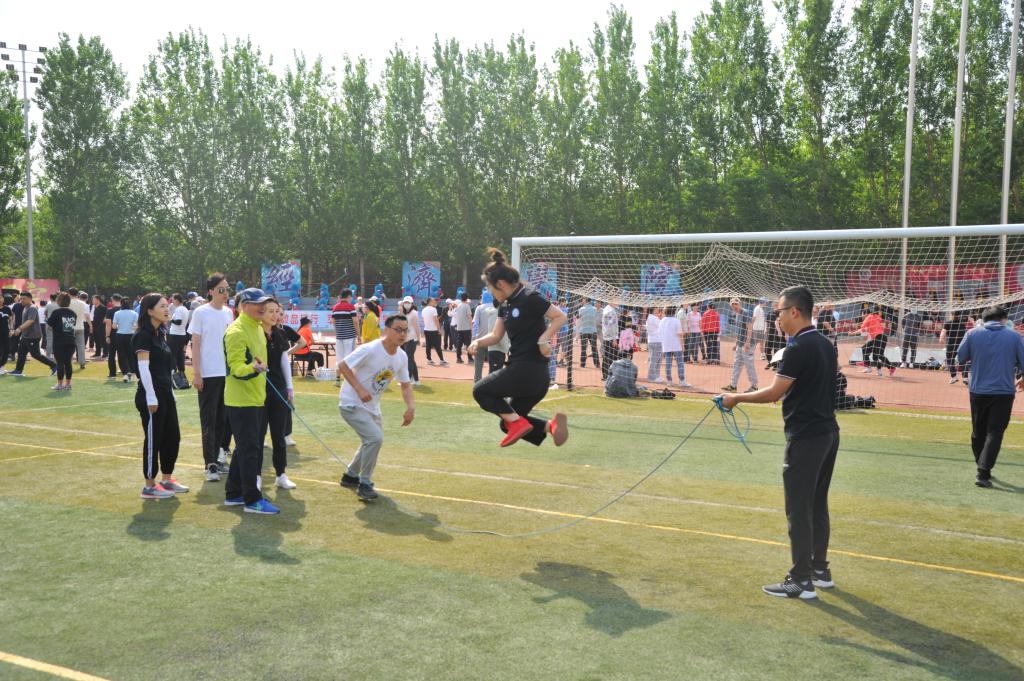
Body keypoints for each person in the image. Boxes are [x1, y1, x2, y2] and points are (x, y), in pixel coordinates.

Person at [719, 285, 839, 600]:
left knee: (798, 509)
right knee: (817, 504)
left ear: (794, 312)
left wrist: (735, 398)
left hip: (806, 437)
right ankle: (819, 570)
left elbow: (774, 392)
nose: (777, 318)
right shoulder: (825, 344)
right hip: (828, 433)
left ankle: (801, 580)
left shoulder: (797, 347)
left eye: (780, 312)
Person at [470, 248, 569, 449]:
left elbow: (560, 316)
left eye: (489, 287)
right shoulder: (505, 305)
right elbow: (496, 335)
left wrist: (543, 339)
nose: (489, 291)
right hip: (534, 379)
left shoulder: (529, 297)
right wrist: (478, 342)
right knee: (507, 423)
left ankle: (518, 423)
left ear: (500, 284)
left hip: (526, 370)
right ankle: (551, 426)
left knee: (480, 391)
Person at [337, 315, 416, 501]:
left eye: (405, 330)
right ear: (386, 330)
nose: (402, 334)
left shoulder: (401, 356)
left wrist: (410, 407)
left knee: (371, 440)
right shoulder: (370, 349)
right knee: (374, 438)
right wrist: (359, 389)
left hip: (372, 406)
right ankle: (365, 484)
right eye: (398, 330)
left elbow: (405, 385)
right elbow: (343, 365)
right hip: (351, 403)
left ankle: (350, 476)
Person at [222, 288, 279, 514]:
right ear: (244, 306)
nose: (263, 307)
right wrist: (253, 368)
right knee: (250, 451)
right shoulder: (236, 331)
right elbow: (236, 368)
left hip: (256, 397)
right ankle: (252, 500)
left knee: (245, 448)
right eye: (258, 304)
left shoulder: (257, 327)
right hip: (241, 401)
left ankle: (233, 493)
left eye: (265, 303)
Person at [955, 306, 1024, 488]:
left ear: (984, 320)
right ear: (1004, 319)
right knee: (995, 432)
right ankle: (983, 471)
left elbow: (960, 358)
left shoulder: (972, 334)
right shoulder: (1015, 337)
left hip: (978, 390)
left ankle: (982, 465)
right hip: (1003, 391)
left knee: (978, 431)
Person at [132, 293, 188, 499]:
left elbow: (165, 369)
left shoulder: (160, 334)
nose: (167, 309)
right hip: (151, 395)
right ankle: (149, 486)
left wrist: (170, 393)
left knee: (172, 437)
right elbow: (143, 368)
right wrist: (151, 396)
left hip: (165, 393)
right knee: (153, 440)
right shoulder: (143, 335)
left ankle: (167, 479)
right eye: (162, 306)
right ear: (149, 311)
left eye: (167, 305)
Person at [188, 273, 235, 481]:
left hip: (226, 374)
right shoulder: (201, 312)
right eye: (221, 289)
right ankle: (210, 465)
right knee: (208, 420)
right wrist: (197, 373)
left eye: (227, 289)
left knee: (223, 420)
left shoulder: (228, 313)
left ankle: (218, 458)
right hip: (208, 374)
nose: (225, 293)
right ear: (211, 291)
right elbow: (196, 344)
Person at [258, 299, 297, 490]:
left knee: (278, 436)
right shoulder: (255, 333)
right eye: (270, 311)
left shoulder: (280, 334)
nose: (275, 315)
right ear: (261, 312)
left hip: (278, 389)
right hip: (258, 390)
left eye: (277, 311)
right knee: (258, 436)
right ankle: (256, 475)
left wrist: (289, 388)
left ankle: (281, 474)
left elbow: (284, 361)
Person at [8, 291, 58, 377]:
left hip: (33, 336)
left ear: (30, 299)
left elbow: (30, 321)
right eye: (21, 299)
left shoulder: (32, 308)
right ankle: (18, 371)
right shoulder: (25, 307)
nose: (22, 300)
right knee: (21, 352)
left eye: (24, 299)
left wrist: (19, 329)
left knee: (36, 355)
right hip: (26, 335)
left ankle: (54, 366)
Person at [723, 298, 758, 393]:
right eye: (733, 304)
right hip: (740, 344)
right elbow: (739, 330)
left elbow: (749, 328)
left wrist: (747, 342)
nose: (734, 306)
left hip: (748, 344)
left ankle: (754, 386)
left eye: (736, 304)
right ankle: (733, 385)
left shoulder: (745, 313)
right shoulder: (736, 314)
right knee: (736, 365)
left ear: (740, 304)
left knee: (749, 365)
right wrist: (736, 343)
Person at [46, 292, 78, 391]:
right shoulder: (73, 313)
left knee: (60, 363)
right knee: (68, 363)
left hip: (59, 341)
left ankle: (59, 384)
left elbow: (49, 325)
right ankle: (68, 384)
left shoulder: (56, 312)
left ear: (59, 301)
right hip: (71, 340)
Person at [331, 289, 359, 376]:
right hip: (349, 336)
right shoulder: (351, 307)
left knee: (339, 358)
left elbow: (333, 322)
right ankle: (348, 378)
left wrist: (338, 332)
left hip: (339, 336)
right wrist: (358, 334)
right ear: (349, 296)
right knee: (349, 357)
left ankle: (338, 378)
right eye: (351, 297)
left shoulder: (335, 307)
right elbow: (355, 322)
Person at [659, 306, 688, 387]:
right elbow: (680, 334)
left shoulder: (661, 321)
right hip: (676, 345)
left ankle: (669, 381)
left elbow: (660, 333)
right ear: (674, 312)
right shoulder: (676, 321)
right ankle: (682, 381)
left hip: (666, 345)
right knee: (680, 363)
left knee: (668, 363)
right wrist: (683, 346)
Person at [399, 297, 423, 385]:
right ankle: (416, 380)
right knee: (411, 359)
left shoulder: (414, 313)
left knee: (409, 359)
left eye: (408, 302)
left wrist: (418, 338)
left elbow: (416, 327)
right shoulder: (404, 312)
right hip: (405, 338)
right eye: (405, 302)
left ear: (412, 304)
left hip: (411, 338)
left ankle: (407, 380)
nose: (406, 304)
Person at [941, 312, 970, 384]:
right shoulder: (962, 324)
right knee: (962, 361)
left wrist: (942, 338)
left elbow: (943, 332)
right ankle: (965, 378)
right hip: (960, 345)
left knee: (950, 360)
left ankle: (954, 377)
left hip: (951, 345)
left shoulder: (948, 323)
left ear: (952, 315)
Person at [67, 287, 90, 370]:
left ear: (69, 293)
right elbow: (86, 315)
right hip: (80, 326)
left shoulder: (67, 302)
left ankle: (68, 362)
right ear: (77, 294)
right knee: (81, 346)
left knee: (68, 345)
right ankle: (82, 363)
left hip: (69, 326)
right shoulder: (83, 303)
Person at [421, 296, 447, 366]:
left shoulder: (424, 310)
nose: (435, 301)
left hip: (426, 330)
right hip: (434, 330)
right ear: (430, 302)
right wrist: (439, 329)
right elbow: (436, 320)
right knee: (437, 345)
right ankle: (441, 360)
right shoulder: (433, 309)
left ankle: (429, 360)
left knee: (428, 345)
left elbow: (423, 320)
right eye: (433, 301)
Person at [168, 293, 189, 376]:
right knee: (180, 354)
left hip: (175, 334)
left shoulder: (179, 309)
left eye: (173, 299)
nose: (172, 301)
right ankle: (181, 372)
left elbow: (178, 321)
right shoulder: (185, 309)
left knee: (173, 354)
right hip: (182, 333)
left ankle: (173, 371)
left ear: (177, 300)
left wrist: (170, 319)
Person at [577, 299, 600, 370]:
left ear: (585, 301)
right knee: (594, 347)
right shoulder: (595, 309)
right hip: (593, 330)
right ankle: (597, 363)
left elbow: (579, 318)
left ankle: (582, 363)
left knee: (583, 348)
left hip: (584, 330)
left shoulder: (581, 309)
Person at [600, 302, 619, 380]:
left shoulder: (605, 309)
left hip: (606, 336)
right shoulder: (611, 311)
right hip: (611, 337)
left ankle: (605, 375)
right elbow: (612, 325)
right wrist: (614, 339)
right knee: (612, 357)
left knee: (606, 357)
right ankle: (609, 376)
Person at [453, 293, 473, 363]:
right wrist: (471, 327)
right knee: (468, 344)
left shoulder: (458, 306)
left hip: (459, 328)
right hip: (466, 328)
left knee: (459, 344)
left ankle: (458, 358)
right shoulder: (467, 306)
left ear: (461, 298)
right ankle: (470, 358)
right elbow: (469, 317)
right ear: (467, 298)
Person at [645, 308, 663, 383]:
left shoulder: (650, 317)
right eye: (656, 308)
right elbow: (662, 326)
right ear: (653, 309)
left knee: (657, 359)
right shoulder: (653, 318)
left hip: (653, 340)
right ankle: (652, 377)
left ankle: (656, 376)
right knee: (655, 360)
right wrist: (662, 317)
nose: (658, 309)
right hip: (656, 341)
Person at [91, 294, 108, 359]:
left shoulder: (103, 308)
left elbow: (107, 315)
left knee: (103, 340)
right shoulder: (95, 307)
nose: (92, 301)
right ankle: (97, 353)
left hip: (101, 326)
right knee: (96, 340)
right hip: (95, 325)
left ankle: (105, 353)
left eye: (94, 300)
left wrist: (104, 320)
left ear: (98, 300)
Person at [43, 293, 59, 360]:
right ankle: (56, 355)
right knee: (57, 340)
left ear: (51, 298)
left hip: (49, 323)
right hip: (58, 324)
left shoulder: (48, 305)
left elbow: (45, 312)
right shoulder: (59, 305)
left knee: (49, 339)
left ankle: (48, 355)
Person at [0, 294, 12, 374]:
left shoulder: (7, 309)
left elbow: (11, 319)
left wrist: (11, 329)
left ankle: (2, 366)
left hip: (5, 331)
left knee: (7, 349)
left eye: (1, 298)